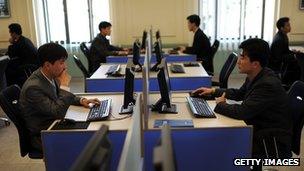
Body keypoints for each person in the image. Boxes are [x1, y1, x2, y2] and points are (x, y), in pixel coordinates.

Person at [193, 38, 292, 166]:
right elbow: (239, 94)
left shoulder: (267, 84)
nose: (238, 61)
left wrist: (220, 104)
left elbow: (242, 112)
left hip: (270, 139)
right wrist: (212, 91)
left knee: (222, 142)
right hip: (260, 127)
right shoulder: (256, 75)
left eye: (243, 57)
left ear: (255, 64)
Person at [19, 43, 100, 152]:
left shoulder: (50, 75)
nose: (65, 66)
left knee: (91, 129)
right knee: (87, 139)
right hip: (44, 134)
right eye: (61, 63)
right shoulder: (33, 87)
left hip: (54, 122)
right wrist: (64, 86)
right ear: (47, 65)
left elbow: (59, 97)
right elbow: (57, 111)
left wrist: (82, 100)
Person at [270, 17, 301, 85]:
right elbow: (278, 58)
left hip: (282, 62)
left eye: (289, 25)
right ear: (282, 28)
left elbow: (285, 51)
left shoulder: (283, 35)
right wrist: (293, 55)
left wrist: (293, 52)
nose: (290, 27)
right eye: (288, 25)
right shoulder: (279, 39)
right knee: (298, 66)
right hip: (277, 65)